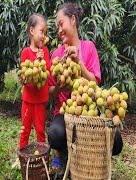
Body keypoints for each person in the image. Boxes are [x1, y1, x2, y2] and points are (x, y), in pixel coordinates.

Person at [47, 2, 123, 171]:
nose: (59, 30)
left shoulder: (88, 48)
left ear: (73, 20)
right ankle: (62, 154)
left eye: (61, 24)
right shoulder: (56, 55)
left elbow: (95, 84)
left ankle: (90, 154)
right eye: (57, 27)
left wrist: (78, 63)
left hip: (89, 112)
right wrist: (60, 87)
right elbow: (50, 93)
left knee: (116, 142)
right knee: (55, 135)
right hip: (66, 113)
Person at [18, 13, 51, 149]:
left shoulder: (46, 51)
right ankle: (22, 156)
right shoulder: (25, 52)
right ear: (32, 31)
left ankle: (42, 159)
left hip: (40, 101)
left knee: (40, 131)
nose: (43, 35)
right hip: (28, 100)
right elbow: (25, 76)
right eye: (41, 31)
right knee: (25, 129)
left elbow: (47, 73)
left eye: (45, 32)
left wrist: (41, 61)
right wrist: (35, 61)